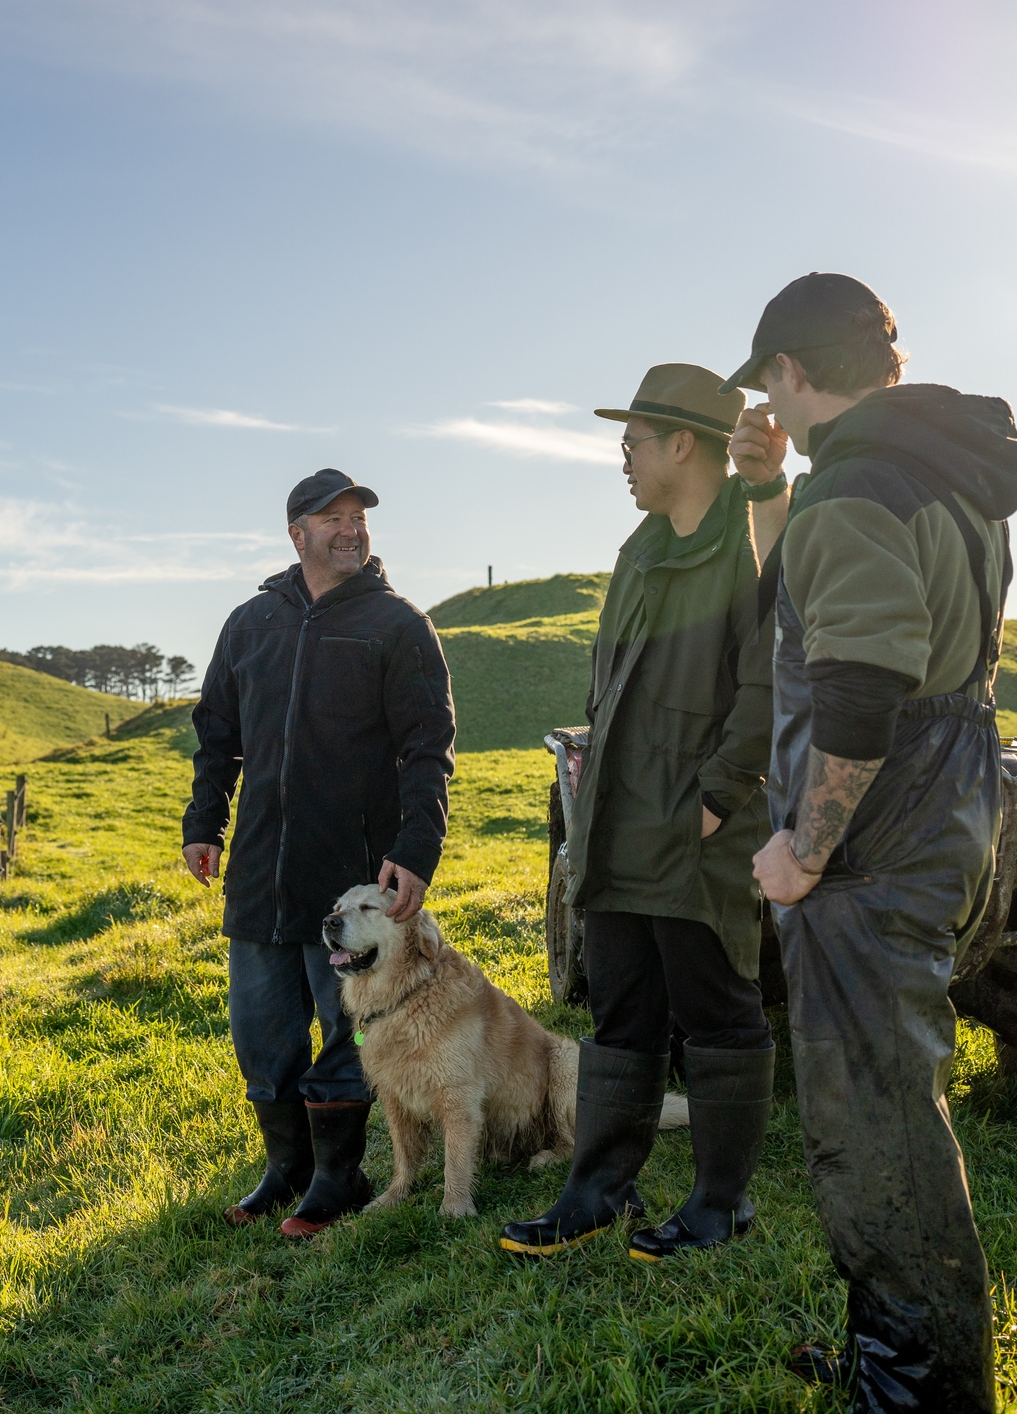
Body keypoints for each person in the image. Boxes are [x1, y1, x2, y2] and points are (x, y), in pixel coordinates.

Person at [731, 273, 1017, 1411]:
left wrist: (804, 851)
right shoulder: (931, 471)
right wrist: (769, 491)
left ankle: (920, 1391)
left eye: (769, 380)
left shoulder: (856, 487)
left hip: (876, 837)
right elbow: (814, 612)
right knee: (881, 1103)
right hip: (945, 804)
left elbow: (856, 688)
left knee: (881, 1123)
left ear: (790, 372)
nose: (766, 400)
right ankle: (897, 1349)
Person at [498, 364, 786, 1262]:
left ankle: (719, 1204)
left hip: (696, 828)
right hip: (619, 822)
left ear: (681, 443)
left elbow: (768, 680)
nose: (620, 458)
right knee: (619, 1010)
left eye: (631, 442)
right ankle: (592, 1191)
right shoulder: (641, 547)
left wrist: (714, 798)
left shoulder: (751, 543)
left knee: (716, 1009)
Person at [182, 468, 457, 1239]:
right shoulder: (249, 623)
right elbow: (217, 736)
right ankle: (287, 1169)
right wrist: (204, 823)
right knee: (261, 1036)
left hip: (351, 880)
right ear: (295, 533)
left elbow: (427, 749)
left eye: (357, 518)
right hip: (259, 873)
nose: (349, 529)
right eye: (330, 518)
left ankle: (338, 1177)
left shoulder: (397, 625)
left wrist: (415, 849)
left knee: (345, 1038)